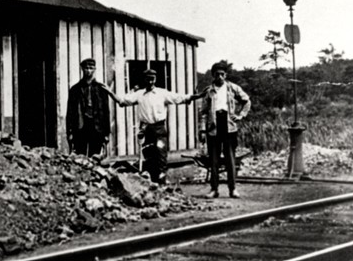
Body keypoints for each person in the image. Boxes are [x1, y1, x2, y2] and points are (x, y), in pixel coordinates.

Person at [101, 69, 202, 184]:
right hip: (145, 130)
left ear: (155, 79)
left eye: (152, 79)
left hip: (159, 130)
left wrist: (198, 96)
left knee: (161, 156)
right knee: (149, 157)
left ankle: (162, 184)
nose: (150, 82)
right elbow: (122, 101)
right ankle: (153, 185)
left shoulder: (162, 93)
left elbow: (181, 98)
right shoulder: (139, 94)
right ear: (145, 79)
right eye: (148, 79)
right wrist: (109, 92)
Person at [198, 61, 251, 198]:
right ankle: (214, 189)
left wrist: (240, 115)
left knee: (230, 159)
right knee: (213, 161)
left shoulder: (233, 88)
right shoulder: (209, 91)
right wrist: (202, 130)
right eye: (217, 74)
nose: (220, 77)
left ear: (226, 75)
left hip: (229, 127)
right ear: (213, 75)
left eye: (222, 74)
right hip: (213, 127)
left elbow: (247, 101)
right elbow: (203, 112)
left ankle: (232, 189)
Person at [66, 58, 111, 157]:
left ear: (95, 69)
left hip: (97, 127)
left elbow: (106, 111)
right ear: (82, 69)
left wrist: (106, 133)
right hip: (80, 127)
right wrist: (69, 132)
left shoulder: (101, 89)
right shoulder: (75, 90)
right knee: (80, 156)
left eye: (91, 68)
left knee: (95, 156)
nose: (89, 70)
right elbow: (70, 112)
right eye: (86, 68)